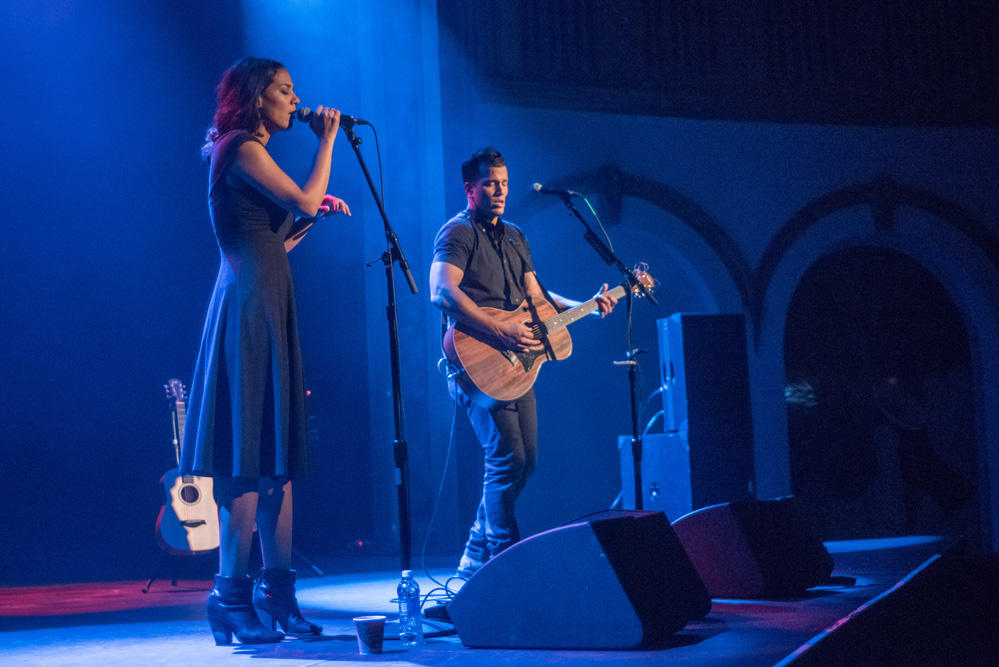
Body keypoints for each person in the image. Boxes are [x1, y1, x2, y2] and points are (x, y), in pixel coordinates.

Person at [180, 56, 351, 645]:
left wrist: (306, 221)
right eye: (285, 91)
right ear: (256, 99)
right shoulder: (238, 145)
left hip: (269, 301)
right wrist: (326, 144)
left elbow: (276, 237)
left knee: (278, 461)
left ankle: (277, 592)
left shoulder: (254, 153)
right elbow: (300, 202)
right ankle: (229, 595)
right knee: (245, 456)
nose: (294, 100)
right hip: (247, 309)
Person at [429, 147, 617, 578]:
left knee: (525, 462)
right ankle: (501, 564)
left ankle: (474, 552)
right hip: (478, 359)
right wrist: (499, 331)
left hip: (518, 360)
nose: (499, 191)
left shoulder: (515, 235)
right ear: (470, 188)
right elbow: (442, 291)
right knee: (505, 459)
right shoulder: (457, 233)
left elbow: (539, 297)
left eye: (505, 183)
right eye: (490, 184)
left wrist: (586, 304)